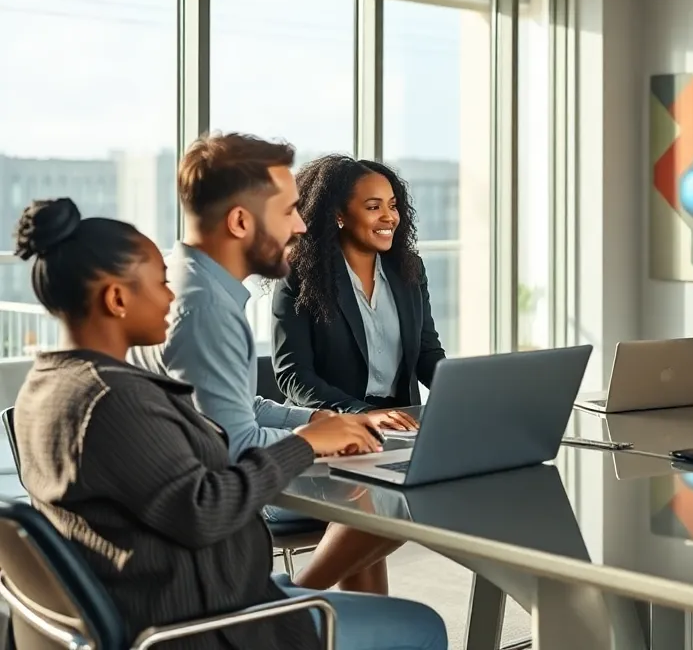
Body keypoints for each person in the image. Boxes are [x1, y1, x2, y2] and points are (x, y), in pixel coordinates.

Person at [10, 198, 448, 650]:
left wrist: (316, 429)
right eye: (161, 282)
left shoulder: (49, 386)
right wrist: (304, 444)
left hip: (161, 601)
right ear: (117, 298)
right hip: (207, 626)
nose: (170, 296)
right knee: (423, 625)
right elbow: (207, 509)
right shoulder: (113, 401)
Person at [129, 132, 414, 595]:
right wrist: (319, 438)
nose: (301, 227)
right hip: (220, 511)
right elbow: (236, 446)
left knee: (377, 487)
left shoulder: (198, 288)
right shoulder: (203, 310)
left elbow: (241, 408)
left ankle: (310, 605)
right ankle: (294, 602)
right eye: (287, 212)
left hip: (207, 496)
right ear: (241, 222)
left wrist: (328, 421)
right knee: (385, 498)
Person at [272, 155, 445, 412]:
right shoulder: (300, 275)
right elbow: (294, 376)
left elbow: (426, 353)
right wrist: (362, 414)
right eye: (374, 207)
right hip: (332, 423)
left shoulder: (409, 270)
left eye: (393, 206)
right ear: (339, 214)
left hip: (400, 421)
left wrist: (462, 391)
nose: (389, 217)